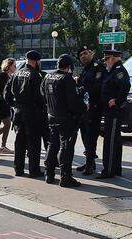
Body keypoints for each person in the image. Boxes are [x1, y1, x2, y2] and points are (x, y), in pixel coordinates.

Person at [42, 54, 87, 187]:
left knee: (52, 145)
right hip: (65, 118)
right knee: (66, 147)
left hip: (51, 115)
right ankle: (65, 177)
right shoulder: (67, 78)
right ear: (69, 66)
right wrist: (84, 107)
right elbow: (73, 102)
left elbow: (42, 94)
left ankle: (49, 174)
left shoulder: (48, 76)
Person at [4, 50, 45, 177]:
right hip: (32, 113)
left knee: (19, 142)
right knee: (34, 142)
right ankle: (34, 170)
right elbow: (40, 97)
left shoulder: (16, 73)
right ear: (36, 61)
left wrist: (14, 105)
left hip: (18, 112)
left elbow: (7, 94)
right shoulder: (35, 75)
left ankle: (18, 169)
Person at [96, 49, 130, 179]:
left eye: (107, 59)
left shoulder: (119, 70)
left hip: (114, 112)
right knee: (115, 140)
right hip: (110, 111)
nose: (105, 61)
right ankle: (116, 168)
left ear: (114, 58)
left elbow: (126, 86)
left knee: (110, 141)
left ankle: (108, 170)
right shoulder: (113, 70)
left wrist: (116, 101)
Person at [76, 45, 106, 175]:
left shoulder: (98, 67)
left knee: (91, 136)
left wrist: (83, 88)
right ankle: (90, 162)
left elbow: (97, 86)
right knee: (84, 135)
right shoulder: (85, 70)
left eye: (85, 53)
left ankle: (90, 164)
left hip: (94, 107)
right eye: (81, 55)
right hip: (84, 108)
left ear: (91, 54)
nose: (83, 56)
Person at [0, 58, 16, 154]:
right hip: (2, 104)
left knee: (5, 124)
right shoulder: (4, 75)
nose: (15, 67)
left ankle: (3, 147)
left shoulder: (7, 75)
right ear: (9, 66)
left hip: (3, 103)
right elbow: (4, 91)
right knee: (7, 124)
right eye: (14, 65)